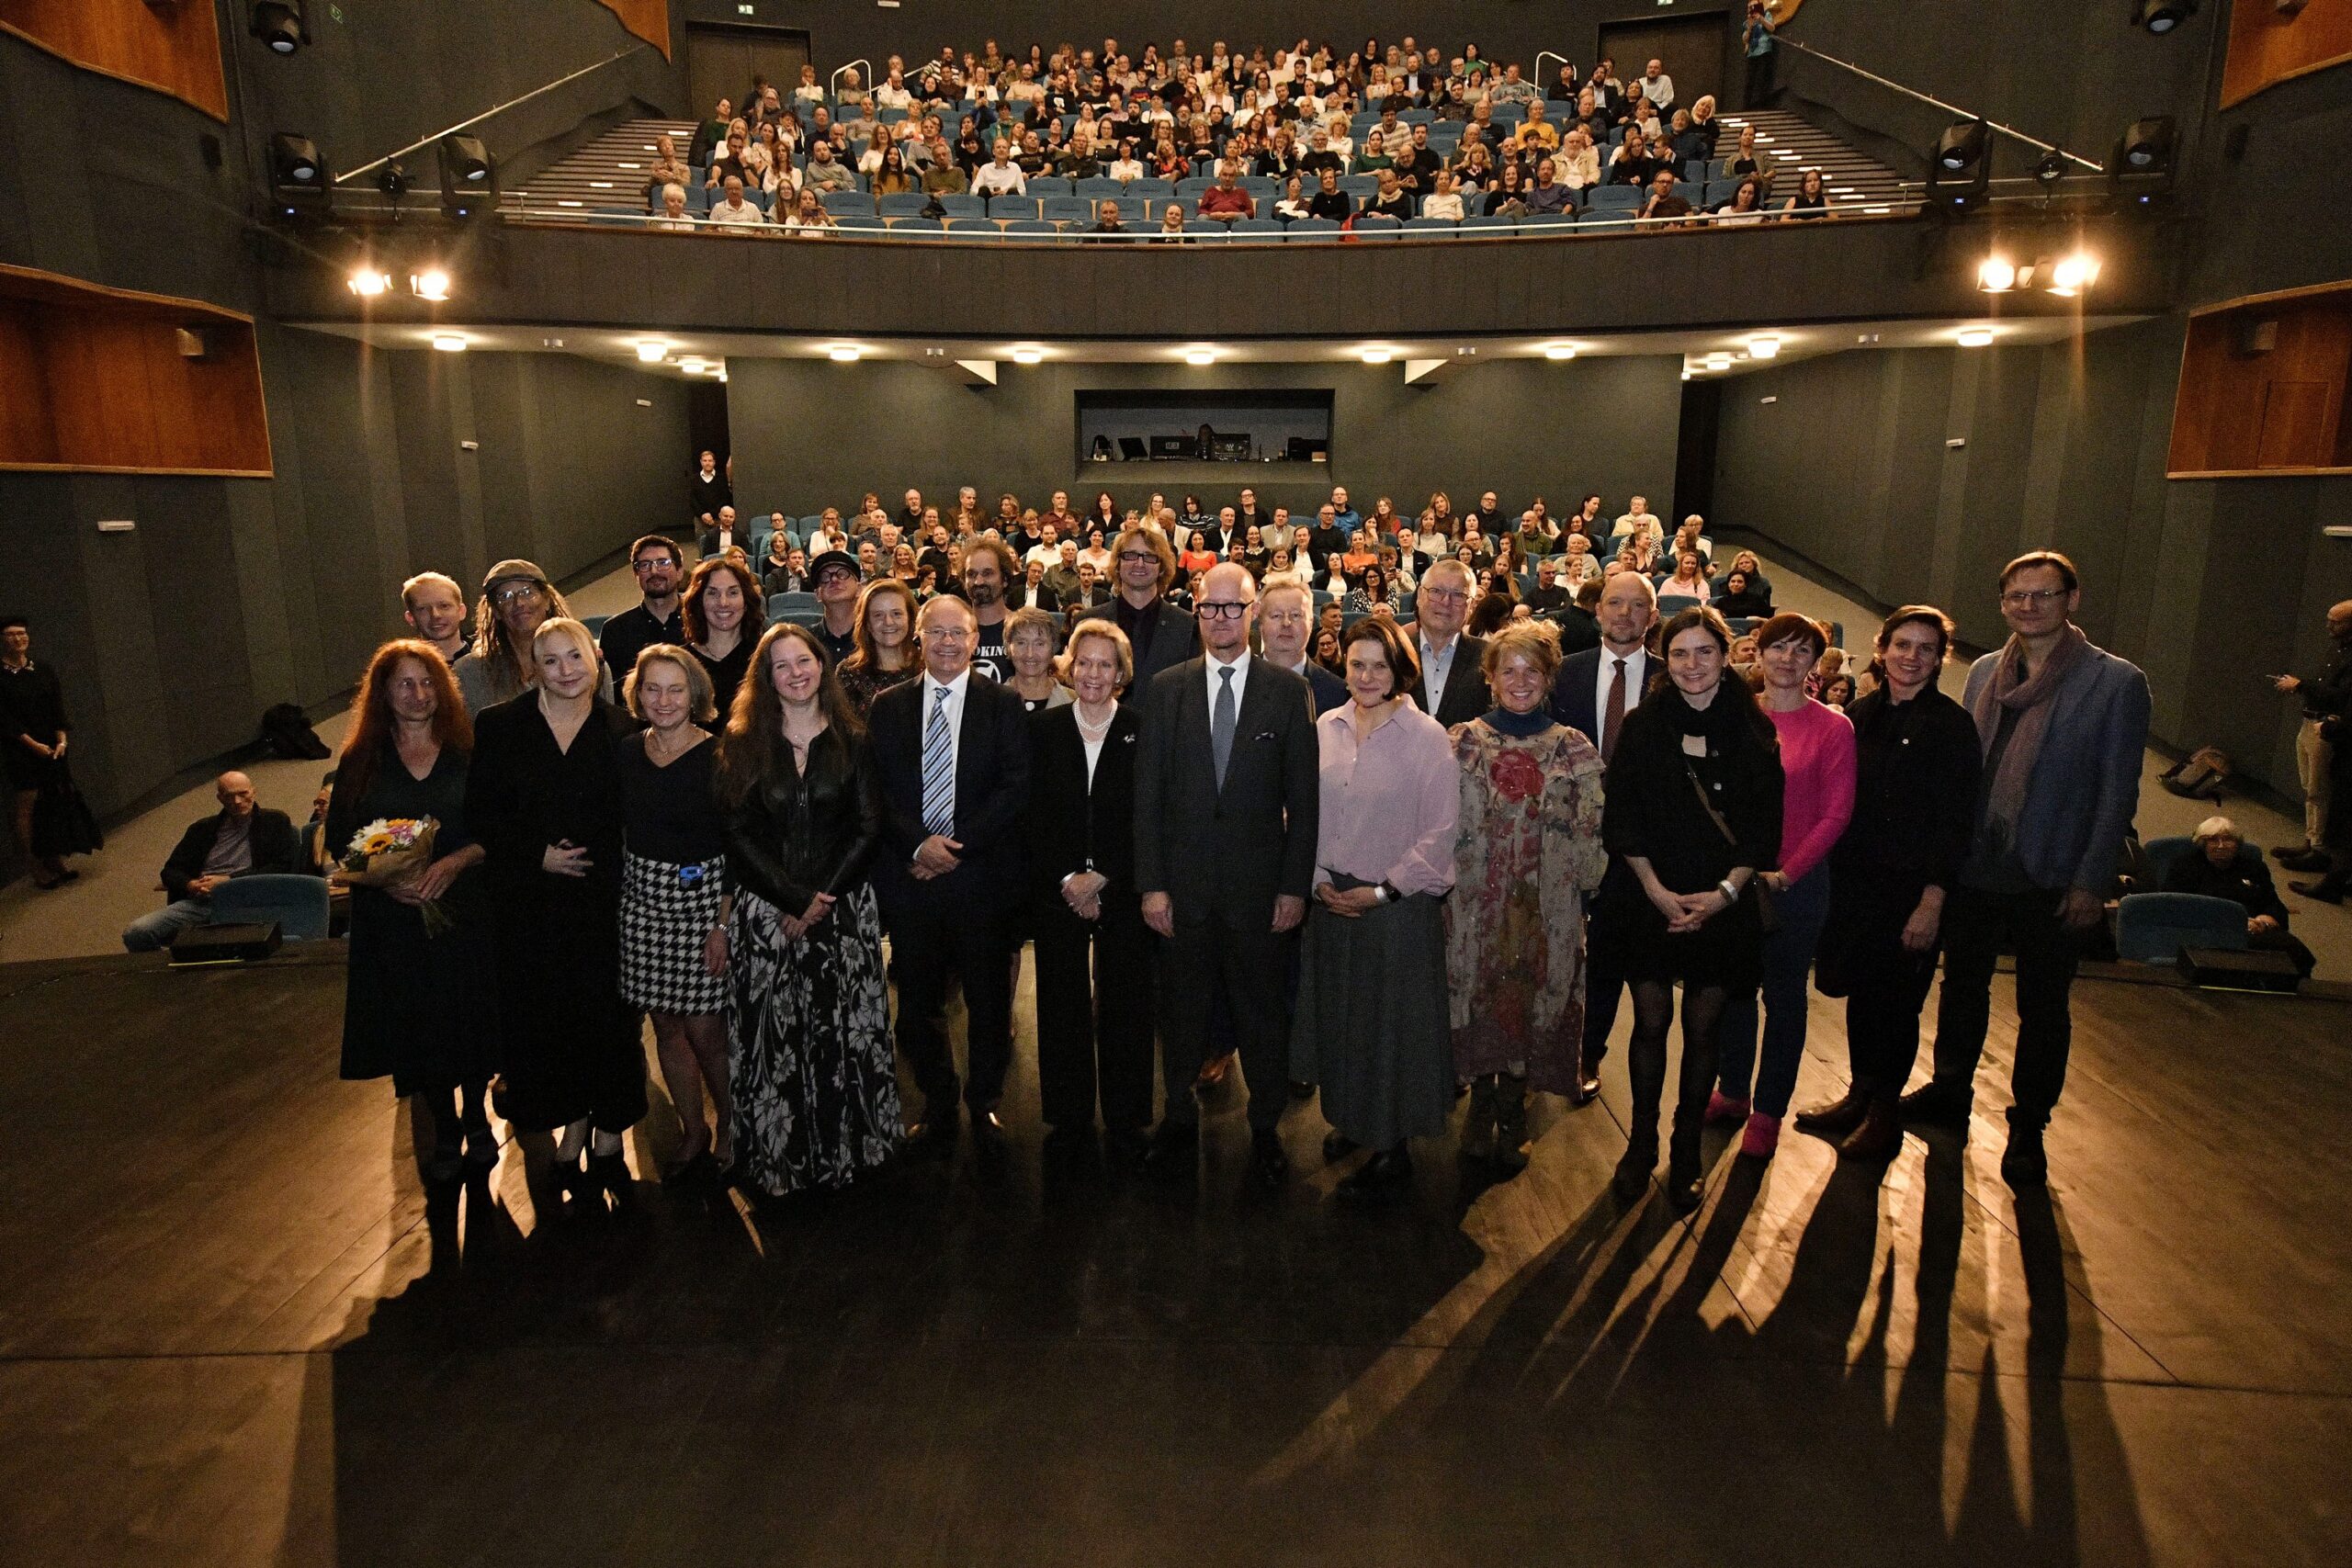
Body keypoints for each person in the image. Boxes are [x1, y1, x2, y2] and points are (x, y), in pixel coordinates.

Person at [1907, 551, 2150, 1189]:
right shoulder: (1986, 668)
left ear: (2072, 599)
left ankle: (2027, 1127)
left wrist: (2090, 880)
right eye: (2017, 595)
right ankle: (1950, 1094)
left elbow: (2116, 792)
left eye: (2043, 594)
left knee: (2044, 1009)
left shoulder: (2116, 682)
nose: (2029, 606)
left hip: (2052, 872)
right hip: (1976, 865)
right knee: (1962, 989)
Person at [1135, 563, 1319, 1189]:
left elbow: (1306, 800)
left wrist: (1294, 887)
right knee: (1182, 1014)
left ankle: (1265, 1129)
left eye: (1232, 607)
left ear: (1253, 613)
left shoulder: (1287, 692)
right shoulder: (1164, 689)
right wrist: (1152, 884)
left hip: (1259, 894)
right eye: (1208, 607)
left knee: (1262, 1016)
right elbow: (1148, 797)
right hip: (1181, 893)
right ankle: (1177, 1118)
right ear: (1197, 610)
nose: (1220, 618)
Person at [1600, 605, 1783, 1212]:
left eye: (1705, 651)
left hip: (1720, 901)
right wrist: (1655, 890)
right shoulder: (1643, 724)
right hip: (1648, 894)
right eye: (1680, 653)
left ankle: (1685, 1148)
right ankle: (1642, 1141)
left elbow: (1763, 831)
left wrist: (1724, 894)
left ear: (1726, 656)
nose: (1693, 664)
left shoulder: (1755, 730)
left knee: (1704, 1026)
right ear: (1665, 659)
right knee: (1650, 1021)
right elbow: (1620, 817)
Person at [465, 618, 646, 1211]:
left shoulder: (624, 731)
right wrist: (535, 854)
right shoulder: (499, 727)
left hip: (605, 902)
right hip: (529, 903)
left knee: (609, 1018)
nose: (566, 671)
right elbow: (482, 816)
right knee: (547, 1020)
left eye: (576, 657)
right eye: (552, 661)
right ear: (532, 669)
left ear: (596, 660)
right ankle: (571, 1124)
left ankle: (610, 1123)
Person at [1792, 607, 1982, 1161]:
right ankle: (1859, 1095)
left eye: (1926, 648)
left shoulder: (1952, 726)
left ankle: (1884, 1117)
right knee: (1862, 997)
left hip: (1912, 893)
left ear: (1940, 658)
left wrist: (1932, 901)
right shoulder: (1859, 714)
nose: (1911, 657)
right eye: (1902, 644)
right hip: (1856, 887)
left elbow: (1955, 823)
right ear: (1882, 648)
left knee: (1896, 1007)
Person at [717, 623, 899, 1193]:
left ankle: (850, 1152)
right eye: (782, 666)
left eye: (805, 662)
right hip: (766, 916)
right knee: (775, 1042)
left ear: (822, 666)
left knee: (845, 1037)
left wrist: (818, 900)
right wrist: (791, 899)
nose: (796, 674)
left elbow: (869, 829)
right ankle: (781, 1159)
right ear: (766, 679)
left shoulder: (854, 737)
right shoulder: (743, 740)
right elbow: (736, 833)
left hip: (842, 913)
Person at [326, 643, 497, 1227]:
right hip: (396, 923)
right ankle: (444, 1130)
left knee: (470, 1019)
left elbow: (498, 830)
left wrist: (453, 863)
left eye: (427, 683)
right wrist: (385, 881)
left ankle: (476, 1118)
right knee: (419, 1026)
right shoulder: (362, 762)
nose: (418, 694)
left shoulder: (470, 752)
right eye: (405, 684)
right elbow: (342, 844)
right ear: (384, 693)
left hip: (467, 912)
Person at [1294, 618, 1458, 1206]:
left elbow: (1441, 834)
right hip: (1330, 903)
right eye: (1357, 664)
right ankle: (1353, 1120)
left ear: (1400, 671)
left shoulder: (1427, 736)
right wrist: (1314, 882)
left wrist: (1385, 890)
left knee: (1389, 1030)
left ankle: (1391, 1148)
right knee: (1340, 1020)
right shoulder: (1324, 728)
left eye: (1379, 666)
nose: (1366, 676)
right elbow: (1302, 816)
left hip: (1395, 909)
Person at [867, 595, 1032, 1151]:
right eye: (934, 633)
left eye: (956, 634)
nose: (945, 643)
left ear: (973, 639)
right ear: (918, 637)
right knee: (916, 1011)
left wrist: (953, 849)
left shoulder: (1003, 704)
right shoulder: (888, 707)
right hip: (912, 883)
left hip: (979, 881)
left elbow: (1015, 788)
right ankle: (939, 1100)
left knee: (989, 1006)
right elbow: (878, 793)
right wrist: (918, 845)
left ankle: (983, 1101)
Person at [1446, 621, 1608, 1172]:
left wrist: (1585, 891)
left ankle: (1513, 1106)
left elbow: (1591, 828)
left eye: (1531, 671)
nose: (1519, 681)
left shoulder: (1572, 748)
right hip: (1475, 902)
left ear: (1548, 678)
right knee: (1481, 988)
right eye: (1507, 670)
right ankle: (1481, 1102)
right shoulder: (1462, 740)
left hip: (1547, 905)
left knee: (1533, 993)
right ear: (1489, 678)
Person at [1707, 615, 1856, 1160]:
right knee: (1736, 991)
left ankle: (1768, 1111)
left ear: (1815, 662)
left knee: (1785, 998)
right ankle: (1732, 1091)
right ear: (1758, 653)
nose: (1788, 659)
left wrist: (1788, 872)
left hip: (1797, 884)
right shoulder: (1736, 718)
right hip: (1738, 883)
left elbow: (1836, 813)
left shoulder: (1833, 727)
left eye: (1802, 651)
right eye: (1778, 648)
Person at [1024, 619, 1156, 1162]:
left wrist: (1103, 876)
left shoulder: (1143, 729)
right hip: (1058, 892)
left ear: (1121, 673)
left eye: (1106, 664)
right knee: (1061, 1002)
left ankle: (1126, 1115)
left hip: (1121, 889)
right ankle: (1068, 1113)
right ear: (1069, 668)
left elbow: (1150, 816)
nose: (1093, 673)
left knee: (1126, 1003)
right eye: (1084, 662)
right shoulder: (1043, 730)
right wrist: (1067, 880)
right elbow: (1032, 815)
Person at [616, 646, 731, 1184]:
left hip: (706, 906)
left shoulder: (721, 756)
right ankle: (693, 1130)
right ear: (638, 695)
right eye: (652, 689)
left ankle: (732, 1125)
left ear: (696, 695)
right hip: (641, 907)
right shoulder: (623, 754)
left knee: (707, 1031)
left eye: (675, 689)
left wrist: (723, 925)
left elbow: (739, 847)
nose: (663, 700)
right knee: (665, 1027)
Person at [121, 771, 302, 951]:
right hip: (203, 903)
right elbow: (170, 871)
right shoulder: (201, 829)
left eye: (243, 794)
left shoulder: (275, 822)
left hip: (250, 901)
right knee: (137, 932)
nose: (237, 801)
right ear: (220, 798)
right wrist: (191, 884)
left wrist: (228, 880)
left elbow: (282, 867)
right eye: (229, 796)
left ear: (253, 792)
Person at [2163, 817, 2317, 976]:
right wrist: (2233, 921)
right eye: (2213, 840)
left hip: (2252, 930)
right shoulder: (2184, 865)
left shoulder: (2253, 867)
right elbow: (2175, 907)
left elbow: (2273, 903)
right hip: (2205, 930)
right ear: (2203, 844)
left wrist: (2265, 921)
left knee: (2297, 952)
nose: (2221, 846)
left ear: (2237, 844)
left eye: (2228, 840)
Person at [454, 559, 601, 713]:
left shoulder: (587, 661)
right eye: (505, 596)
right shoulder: (470, 672)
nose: (519, 603)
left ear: (547, 601)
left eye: (527, 592)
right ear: (496, 611)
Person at [2273, 599, 2352, 872]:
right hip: (2309, 723)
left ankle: (2319, 849)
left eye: (2336, 621)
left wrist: (2301, 685)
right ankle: (2310, 840)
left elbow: (2342, 697)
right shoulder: (2336, 649)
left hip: (2325, 729)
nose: (2329, 625)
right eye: (2329, 618)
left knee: (2319, 791)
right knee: (2309, 787)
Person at [0, 615, 78, 887]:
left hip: (52, 746)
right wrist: (33, 745)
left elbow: (57, 707)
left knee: (52, 801)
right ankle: (34, 864)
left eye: (21, 633)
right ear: (2, 639)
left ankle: (53, 857)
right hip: (21, 749)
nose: (17, 639)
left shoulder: (42, 669)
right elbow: (5, 719)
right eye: (10, 634)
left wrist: (61, 740)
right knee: (29, 805)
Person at [1074, 525, 1200, 690]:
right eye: (1131, 555)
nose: (1139, 563)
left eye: (1149, 556)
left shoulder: (1188, 626)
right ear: (1117, 564)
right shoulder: (1086, 622)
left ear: (1162, 567)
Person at [1400, 559, 1490, 728]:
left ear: (1470, 606)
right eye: (1436, 591)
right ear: (1419, 596)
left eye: (1458, 595)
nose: (1445, 601)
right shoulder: (1394, 654)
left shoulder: (1490, 657)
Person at [682, 557, 762, 719]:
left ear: (745, 601)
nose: (723, 602)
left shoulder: (765, 656)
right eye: (712, 593)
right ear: (699, 601)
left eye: (733, 593)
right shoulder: (682, 662)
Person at [600, 536, 687, 680]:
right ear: (636, 575)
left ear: (679, 572)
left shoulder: (701, 620)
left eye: (663, 563)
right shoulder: (615, 631)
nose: (654, 571)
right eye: (645, 565)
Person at [1259, 581, 1348, 715]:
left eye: (1296, 615)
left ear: (1311, 624)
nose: (1286, 623)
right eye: (1276, 615)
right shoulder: (1236, 685)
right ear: (1260, 624)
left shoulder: (1337, 693)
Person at [837, 579, 920, 719]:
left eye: (896, 614)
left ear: (910, 618)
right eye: (878, 615)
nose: (888, 622)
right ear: (867, 623)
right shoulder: (848, 674)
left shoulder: (928, 668)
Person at [960, 538, 1020, 682]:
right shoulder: (953, 633)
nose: (978, 581)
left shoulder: (1022, 628)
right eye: (971, 574)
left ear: (1004, 579)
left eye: (987, 573)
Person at [1004, 608, 1071, 713]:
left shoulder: (1073, 702)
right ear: (1008, 647)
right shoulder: (990, 703)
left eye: (1039, 644)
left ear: (1053, 648)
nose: (1030, 654)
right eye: (1021, 643)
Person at [400, 572, 470, 665]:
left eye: (444, 606)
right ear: (410, 618)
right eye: (423, 609)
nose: (435, 615)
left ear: (461, 611)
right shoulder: (403, 667)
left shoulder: (490, 660)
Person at [808, 548, 864, 665]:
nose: (834, 579)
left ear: (859, 589)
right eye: (825, 577)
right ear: (818, 594)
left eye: (842, 574)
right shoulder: (806, 641)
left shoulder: (874, 637)